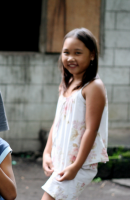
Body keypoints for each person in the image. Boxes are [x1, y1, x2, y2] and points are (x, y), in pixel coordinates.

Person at [41, 28, 109, 200]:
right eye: (66, 52)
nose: (70, 58)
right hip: (61, 159)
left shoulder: (94, 87)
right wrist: (47, 153)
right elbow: (57, 122)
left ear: (92, 55)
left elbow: (91, 130)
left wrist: (76, 166)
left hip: (79, 163)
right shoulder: (67, 83)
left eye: (77, 53)